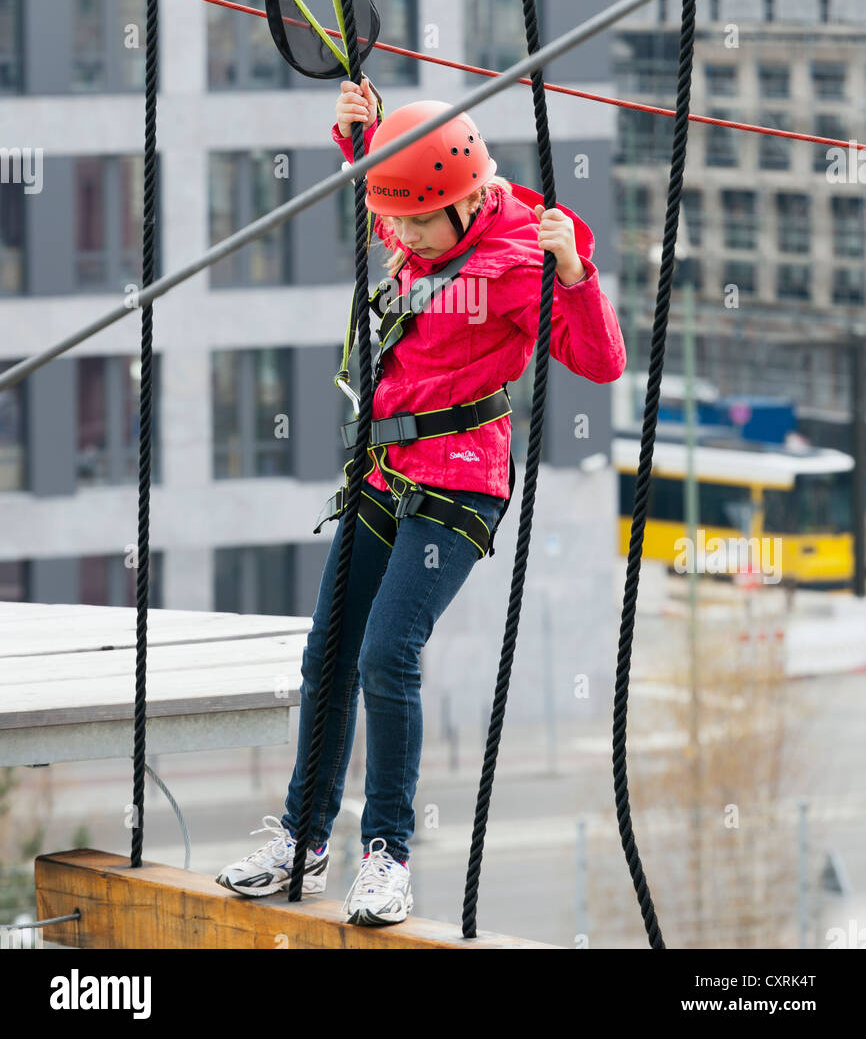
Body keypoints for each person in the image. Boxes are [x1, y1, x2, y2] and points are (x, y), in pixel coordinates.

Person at [216, 75, 627, 925]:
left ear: (469, 203)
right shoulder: (421, 206)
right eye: (390, 218)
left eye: (411, 222)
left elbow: (603, 363)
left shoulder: (517, 266)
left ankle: (388, 856)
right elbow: (391, 188)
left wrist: (576, 272)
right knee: (326, 653)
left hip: (460, 483)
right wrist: (356, 137)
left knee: (385, 655)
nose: (395, 235)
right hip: (384, 467)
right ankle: (304, 840)